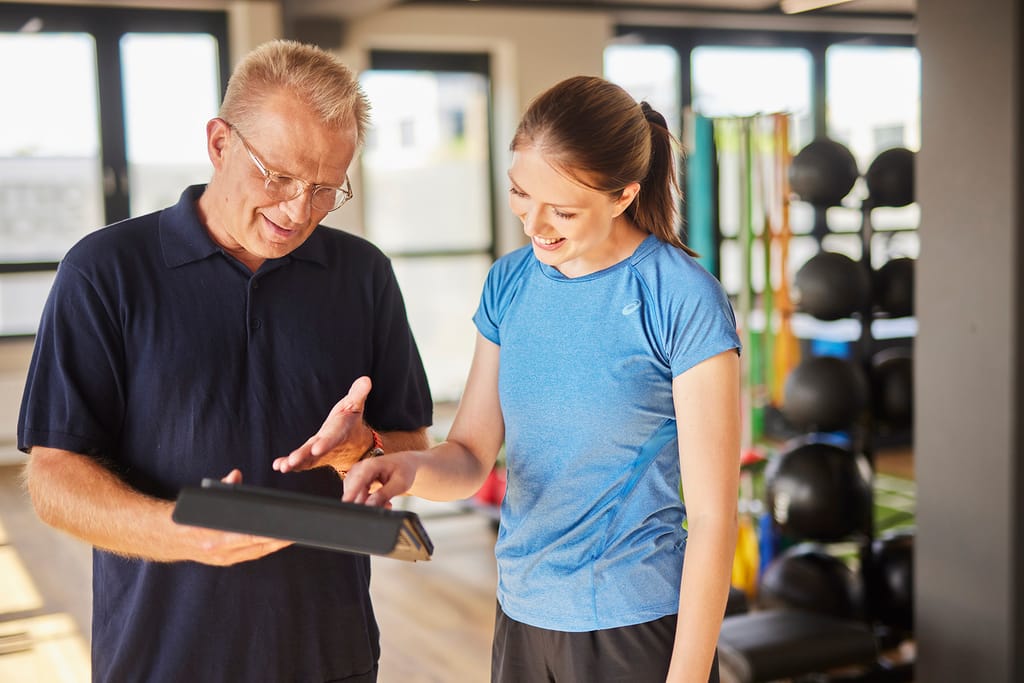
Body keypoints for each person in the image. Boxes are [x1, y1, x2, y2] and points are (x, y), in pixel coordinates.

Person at [281, 75, 742, 682]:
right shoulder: (511, 283)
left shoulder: (680, 299)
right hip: (521, 615)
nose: (534, 223)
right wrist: (406, 469)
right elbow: (472, 455)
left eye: (563, 209)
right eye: (521, 194)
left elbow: (713, 519)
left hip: (635, 627)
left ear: (624, 195)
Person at [17, 39, 432, 682]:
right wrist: (182, 534)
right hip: (159, 659)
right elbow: (54, 477)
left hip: (332, 656)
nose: (299, 212)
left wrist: (364, 449)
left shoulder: (364, 276)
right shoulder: (104, 271)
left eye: (326, 189)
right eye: (280, 177)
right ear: (219, 143)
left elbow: (408, 440)